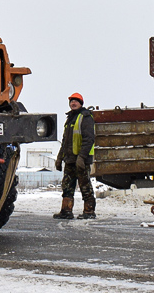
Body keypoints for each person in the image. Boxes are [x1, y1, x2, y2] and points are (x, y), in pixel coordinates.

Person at [53, 92, 96, 220]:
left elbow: (89, 139)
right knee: (67, 186)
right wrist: (59, 158)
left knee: (85, 185)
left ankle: (89, 211)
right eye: (71, 101)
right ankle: (66, 211)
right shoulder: (70, 119)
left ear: (81, 103)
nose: (73, 103)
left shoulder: (86, 117)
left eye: (76, 101)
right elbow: (65, 141)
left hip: (80, 160)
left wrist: (82, 157)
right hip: (70, 160)